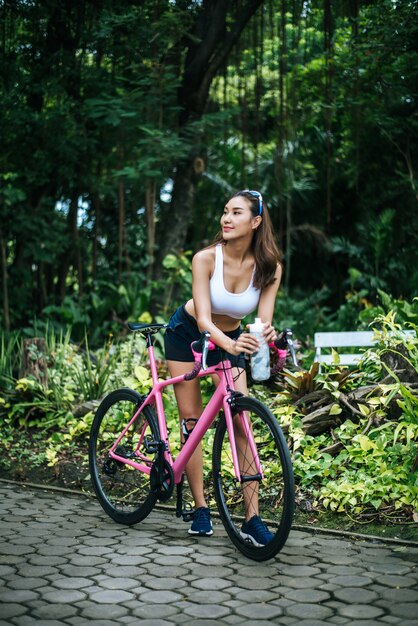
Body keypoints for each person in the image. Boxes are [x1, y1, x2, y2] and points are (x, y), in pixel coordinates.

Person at [164, 189, 282, 546]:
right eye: (225, 212)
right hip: (188, 334)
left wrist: (266, 335)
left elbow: (261, 323)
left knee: (242, 422)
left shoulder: (270, 267)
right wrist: (230, 345)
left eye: (236, 213)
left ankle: (252, 517)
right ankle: (201, 508)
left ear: (256, 221)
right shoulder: (205, 259)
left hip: (230, 340)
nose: (226, 219)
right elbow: (202, 319)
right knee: (194, 422)